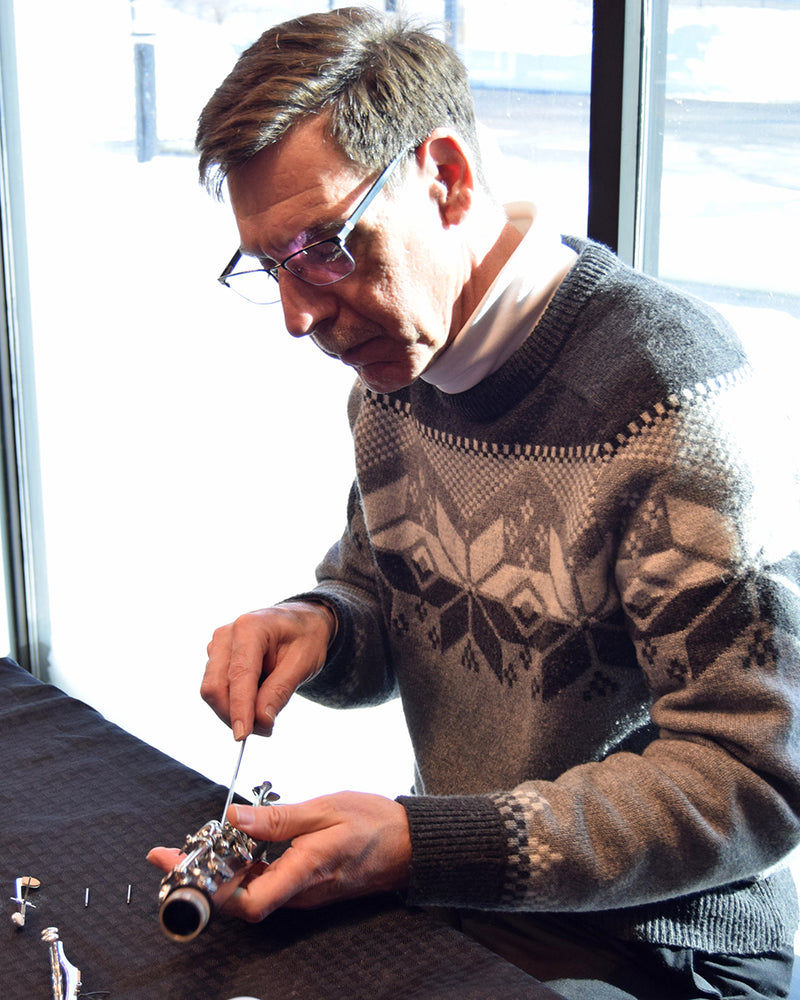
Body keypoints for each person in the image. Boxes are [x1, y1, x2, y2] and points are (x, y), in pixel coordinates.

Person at [148, 7, 800, 998]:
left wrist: (423, 840)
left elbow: (750, 776)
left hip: (669, 946)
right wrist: (320, 624)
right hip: (480, 896)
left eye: (326, 245)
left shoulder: (668, 392)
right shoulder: (390, 375)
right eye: (272, 266)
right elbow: (383, 591)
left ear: (444, 179)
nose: (297, 316)